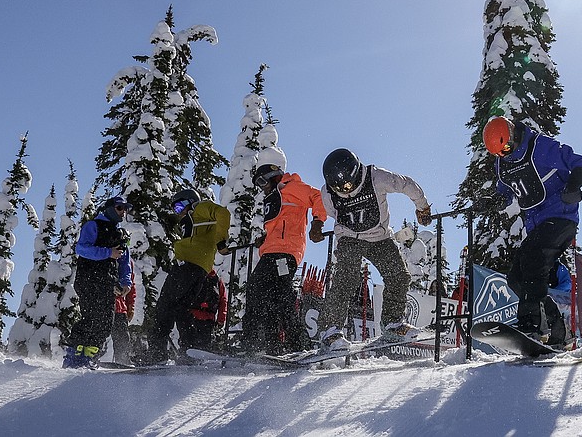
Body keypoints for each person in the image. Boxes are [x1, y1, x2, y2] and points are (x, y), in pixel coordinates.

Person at [483, 115, 582, 349]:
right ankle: (556, 324)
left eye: (507, 148)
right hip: (536, 225)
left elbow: (581, 163)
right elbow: (505, 192)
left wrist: (574, 186)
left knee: (533, 260)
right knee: (516, 278)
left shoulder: (540, 147)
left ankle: (530, 325)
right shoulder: (503, 161)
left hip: (561, 217)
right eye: (499, 153)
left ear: (512, 133)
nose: (505, 154)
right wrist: (494, 201)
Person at [312, 148, 433, 351]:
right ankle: (330, 331)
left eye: (348, 185)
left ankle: (393, 324)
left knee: (399, 276)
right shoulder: (327, 192)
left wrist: (423, 207)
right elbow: (333, 213)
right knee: (347, 276)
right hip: (350, 237)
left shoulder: (377, 177)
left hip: (379, 237)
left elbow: (406, 184)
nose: (346, 190)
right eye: (339, 188)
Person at [240, 158, 327, 355]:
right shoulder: (275, 196)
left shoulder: (292, 186)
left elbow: (318, 197)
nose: (262, 188)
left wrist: (317, 223)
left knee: (277, 296)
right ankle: (270, 345)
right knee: (265, 295)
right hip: (271, 251)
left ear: (273, 176)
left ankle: (293, 345)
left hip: (286, 252)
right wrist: (265, 237)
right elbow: (279, 223)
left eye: (263, 182)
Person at [141, 187, 231, 365]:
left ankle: (156, 354)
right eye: (175, 209)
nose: (178, 212)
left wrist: (221, 241)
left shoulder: (199, 208)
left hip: (188, 267)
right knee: (182, 311)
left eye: (179, 206)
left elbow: (223, 213)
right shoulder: (191, 220)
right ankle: (189, 352)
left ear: (190, 201)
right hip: (198, 271)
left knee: (164, 307)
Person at [63, 195, 133, 369]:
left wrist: (126, 282)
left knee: (105, 322)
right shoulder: (93, 225)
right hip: (88, 278)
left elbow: (124, 260)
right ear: (109, 208)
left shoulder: (120, 234)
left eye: (126, 209)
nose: (123, 212)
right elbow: (81, 248)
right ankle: (73, 356)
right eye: (120, 208)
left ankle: (88, 356)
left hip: (107, 282)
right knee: (92, 317)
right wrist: (107, 253)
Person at [178, 269, 226, 353]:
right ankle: (197, 359)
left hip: (191, 316)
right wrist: (221, 320)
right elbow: (223, 300)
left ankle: (185, 357)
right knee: (203, 346)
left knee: (187, 344)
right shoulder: (216, 279)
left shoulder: (194, 275)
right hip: (207, 319)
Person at [110, 282, 136, 366]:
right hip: (106, 306)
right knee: (100, 332)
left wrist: (130, 305)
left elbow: (130, 286)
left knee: (123, 336)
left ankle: (122, 361)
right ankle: (93, 358)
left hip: (120, 309)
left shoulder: (128, 270)